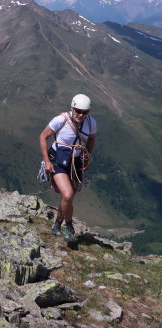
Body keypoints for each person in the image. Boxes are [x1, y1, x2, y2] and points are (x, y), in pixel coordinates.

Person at [39, 94, 96, 243]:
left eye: (85, 112)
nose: (81, 115)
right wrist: (46, 161)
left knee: (67, 198)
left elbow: (91, 139)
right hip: (57, 160)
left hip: (76, 162)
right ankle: (69, 228)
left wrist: (86, 156)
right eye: (78, 111)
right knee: (68, 194)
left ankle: (57, 225)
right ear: (72, 108)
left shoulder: (91, 123)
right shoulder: (61, 120)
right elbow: (43, 137)